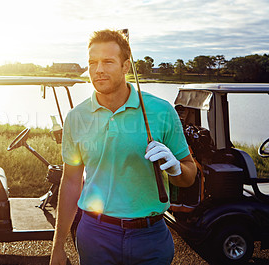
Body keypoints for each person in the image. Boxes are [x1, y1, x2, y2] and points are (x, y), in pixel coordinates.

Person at [50, 29, 197, 265]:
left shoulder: (161, 111)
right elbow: (70, 182)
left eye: (108, 61)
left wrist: (176, 169)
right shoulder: (76, 117)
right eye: (92, 62)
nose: (98, 69)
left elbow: (190, 176)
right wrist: (58, 246)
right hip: (95, 234)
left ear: (126, 66)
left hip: (151, 236)